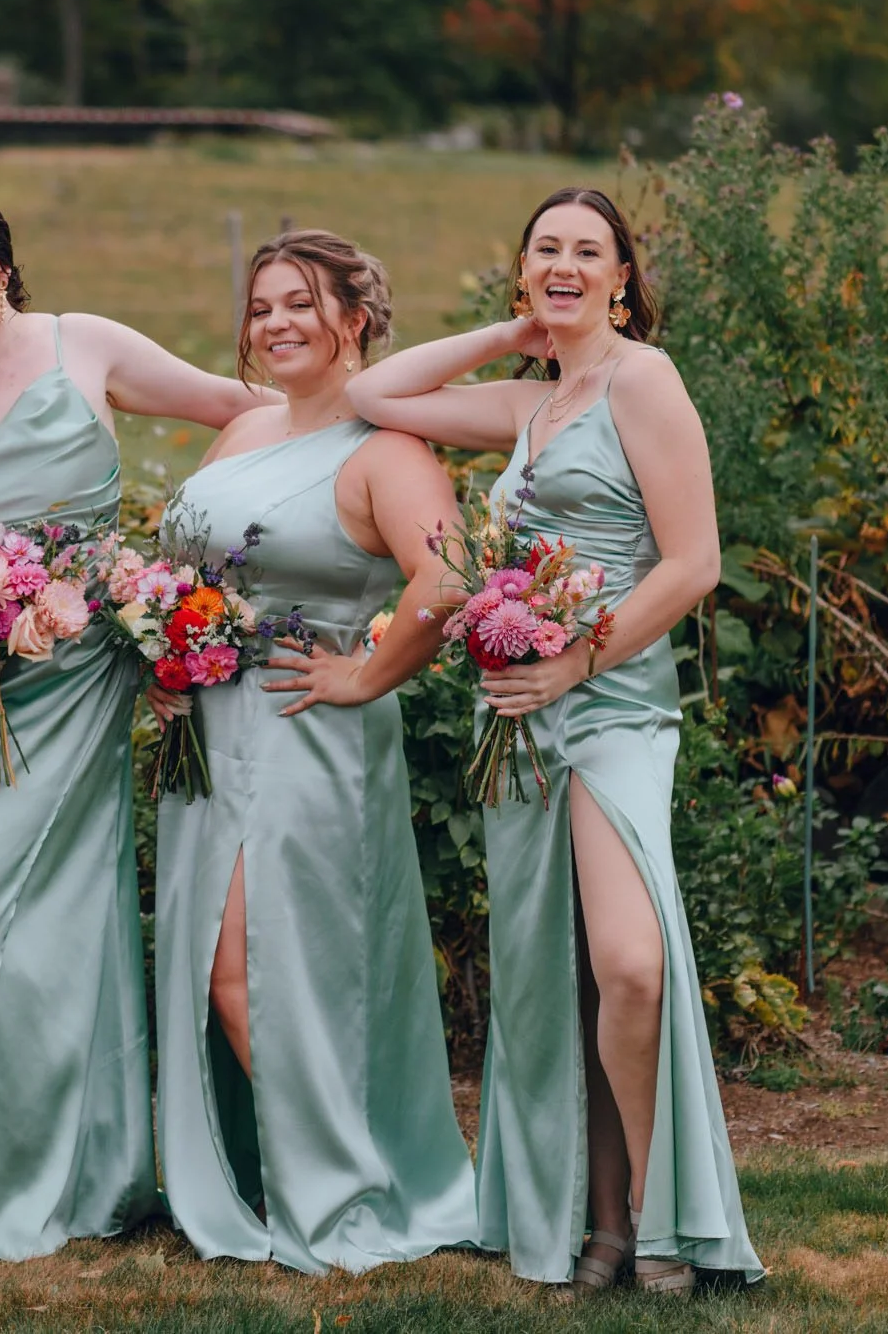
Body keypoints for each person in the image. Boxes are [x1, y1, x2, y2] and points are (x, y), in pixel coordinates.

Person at [348, 187, 762, 1293]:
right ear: (523, 271)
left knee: (627, 964)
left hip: (615, 705)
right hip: (519, 719)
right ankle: (601, 1225)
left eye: (588, 251)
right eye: (545, 252)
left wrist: (580, 657)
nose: (566, 264)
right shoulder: (528, 405)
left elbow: (691, 563)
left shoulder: (642, 381)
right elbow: (371, 390)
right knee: (549, 979)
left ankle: (665, 1223)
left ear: (623, 275)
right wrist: (510, 332)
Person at [0, 188, 269, 1261]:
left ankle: (87, 1175)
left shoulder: (86, 345)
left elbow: (241, 408)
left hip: (79, 682)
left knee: (64, 934)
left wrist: (165, 557)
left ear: (2, 263)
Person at [147, 230, 475, 1271]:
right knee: (221, 961)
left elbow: (445, 583)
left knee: (260, 968)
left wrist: (363, 675)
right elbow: (183, 567)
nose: (275, 323)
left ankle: (335, 1193)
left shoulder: (385, 453)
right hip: (206, 725)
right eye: (260, 306)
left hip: (305, 729)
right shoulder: (241, 431)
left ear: (355, 321)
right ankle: (294, 1175)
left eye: (299, 303)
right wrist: (161, 651)